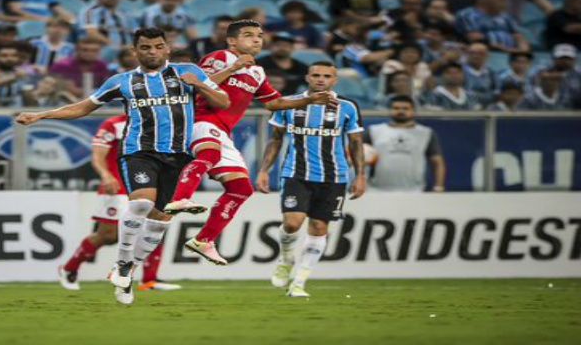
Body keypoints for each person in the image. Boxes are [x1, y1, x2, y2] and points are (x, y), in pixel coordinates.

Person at [16, 28, 230, 305]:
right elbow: (83, 107)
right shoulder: (122, 81)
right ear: (135, 51)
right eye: (145, 47)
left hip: (178, 156)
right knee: (141, 204)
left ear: (167, 49)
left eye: (157, 46)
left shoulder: (189, 71)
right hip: (138, 151)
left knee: (160, 220)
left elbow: (223, 102)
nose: (152, 51)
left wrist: (199, 85)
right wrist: (41, 115)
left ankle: (126, 271)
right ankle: (123, 262)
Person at [162, 21, 336, 265]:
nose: (257, 40)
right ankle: (180, 198)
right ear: (232, 41)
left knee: (241, 188)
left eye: (259, 36)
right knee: (209, 155)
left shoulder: (257, 72)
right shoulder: (220, 56)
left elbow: (273, 103)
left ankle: (203, 240)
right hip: (200, 120)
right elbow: (198, 84)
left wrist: (308, 100)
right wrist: (233, 67)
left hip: (223, 131)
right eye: (248, 35)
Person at [258, 61, 367, 298]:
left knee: (319, 228)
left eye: (327, 76)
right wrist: (264, 170)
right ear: (307, 77)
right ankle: (286, 259)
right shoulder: (289, 104)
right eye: (316, 75)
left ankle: (299, 282)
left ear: (334, 80)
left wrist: (360, 176)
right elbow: (276, 139)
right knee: (292, 224)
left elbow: (356, 143)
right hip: (296, 173)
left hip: (334, 176)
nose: (321, 79)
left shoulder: (347, 107)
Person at [58, 115, 180, 293]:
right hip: (118, 185)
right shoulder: (114, 124)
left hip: (148, 185)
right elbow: (98, 155)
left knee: (154, 226)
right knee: (108, 235)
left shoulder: (161, 122)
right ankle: (69, 268)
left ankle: (149, 280)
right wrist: (106, 176)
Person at [365, 96, 445, 192]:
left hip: (415, 191)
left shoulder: (426, 133)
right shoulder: (374, 131)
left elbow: (437, 162)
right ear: (390, 110)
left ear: (413, 111)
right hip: (377, 190)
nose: (401, 111)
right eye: (396, 108)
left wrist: (439, 187)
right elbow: (357, 160)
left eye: (405, 108)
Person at [456, 0, 530, 53]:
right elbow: (476, 39)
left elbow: (518, 36)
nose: (506, 4)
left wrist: (523, 50)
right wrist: (506, 49)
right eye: (501, 0)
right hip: (484, 52)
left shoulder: (506, 17)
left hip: (511, 53)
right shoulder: (469, 14)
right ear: (486, 1)